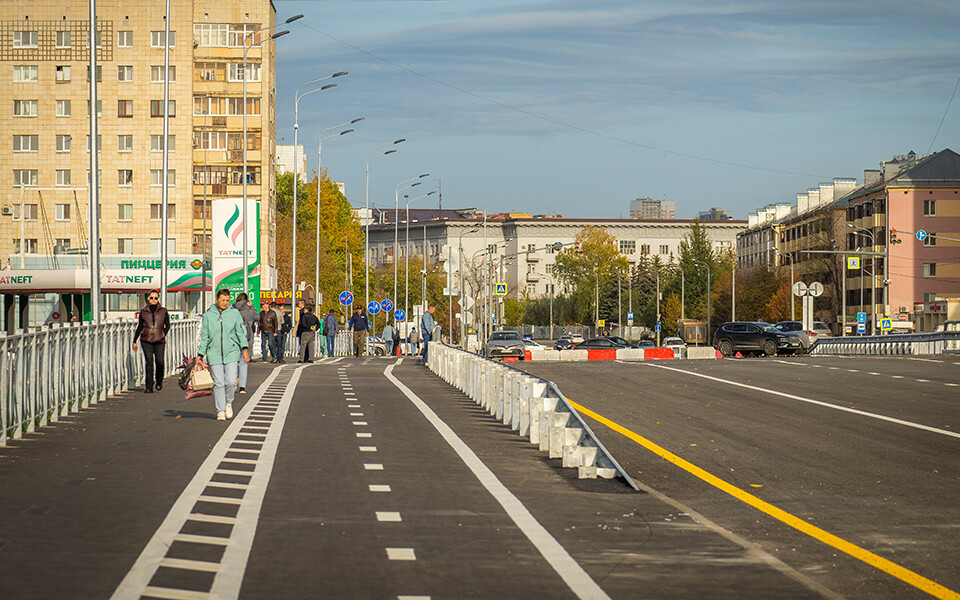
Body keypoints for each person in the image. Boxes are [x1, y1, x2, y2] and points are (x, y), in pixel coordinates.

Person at [198, 289, 250, 421]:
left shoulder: (234, 313)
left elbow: (240, 332)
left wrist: (244, 348)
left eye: (227, 300)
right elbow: (205, 336)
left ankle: (228, 402)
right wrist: (200, 353)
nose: (225, 303)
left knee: (231, 381)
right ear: (217, 299)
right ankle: (220, 410)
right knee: (219, 383)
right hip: (214, 352)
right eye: (222, 300)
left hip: (232, 351)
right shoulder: (208, 315)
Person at [132, 290, 170, 393]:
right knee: (149, 362)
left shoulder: (163, 311)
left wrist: (162, 334)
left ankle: (159, 381)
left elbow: (167, 325)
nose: (153, 300)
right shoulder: (143, 312)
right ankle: (149, 386)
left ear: (158, 299)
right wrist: (134, 341)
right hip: (146, 340)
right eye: (151, 298)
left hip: (159, 341)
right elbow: (140, 326)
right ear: (148, 298)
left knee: (160, 362)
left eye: (155, 298)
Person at [233, 293, 258, 394]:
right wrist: (252, 306)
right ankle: (242, 387)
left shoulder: (232, 309)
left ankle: (233, 382)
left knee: (232, 362)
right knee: (243, 363)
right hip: (246, 338)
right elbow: (257, 317)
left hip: (233, 339)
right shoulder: (250, 311)